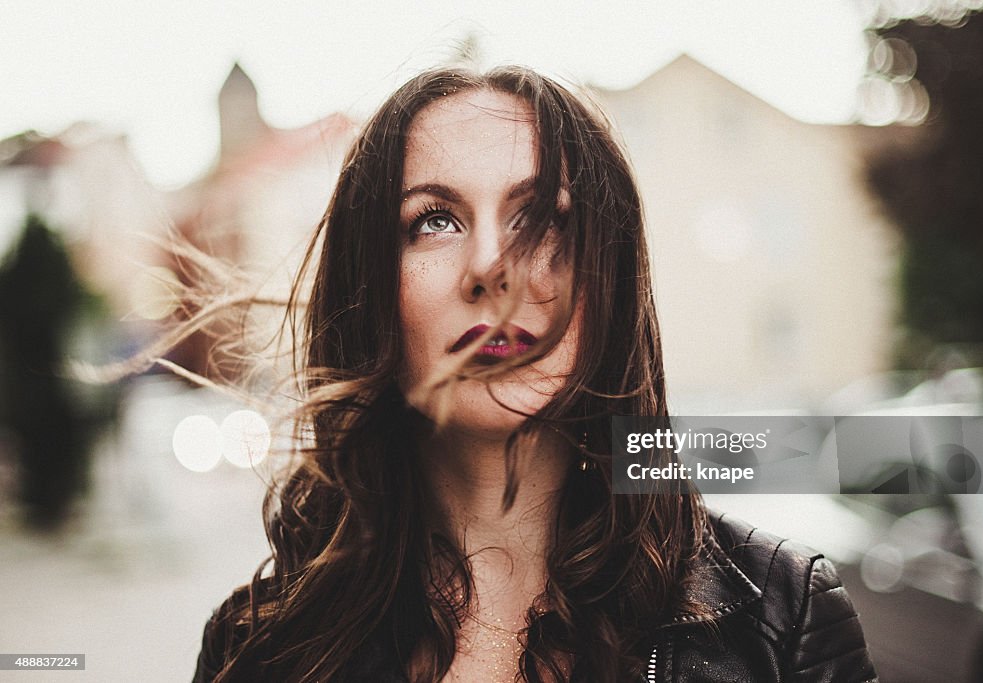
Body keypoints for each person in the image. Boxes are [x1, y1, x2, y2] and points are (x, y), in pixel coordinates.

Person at [190, 66, 877, 682]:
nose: (492, 264)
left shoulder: (784, 614)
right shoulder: (257, 648)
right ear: (369, 291)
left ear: (606, 280)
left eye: (542, 218)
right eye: (434, 220)